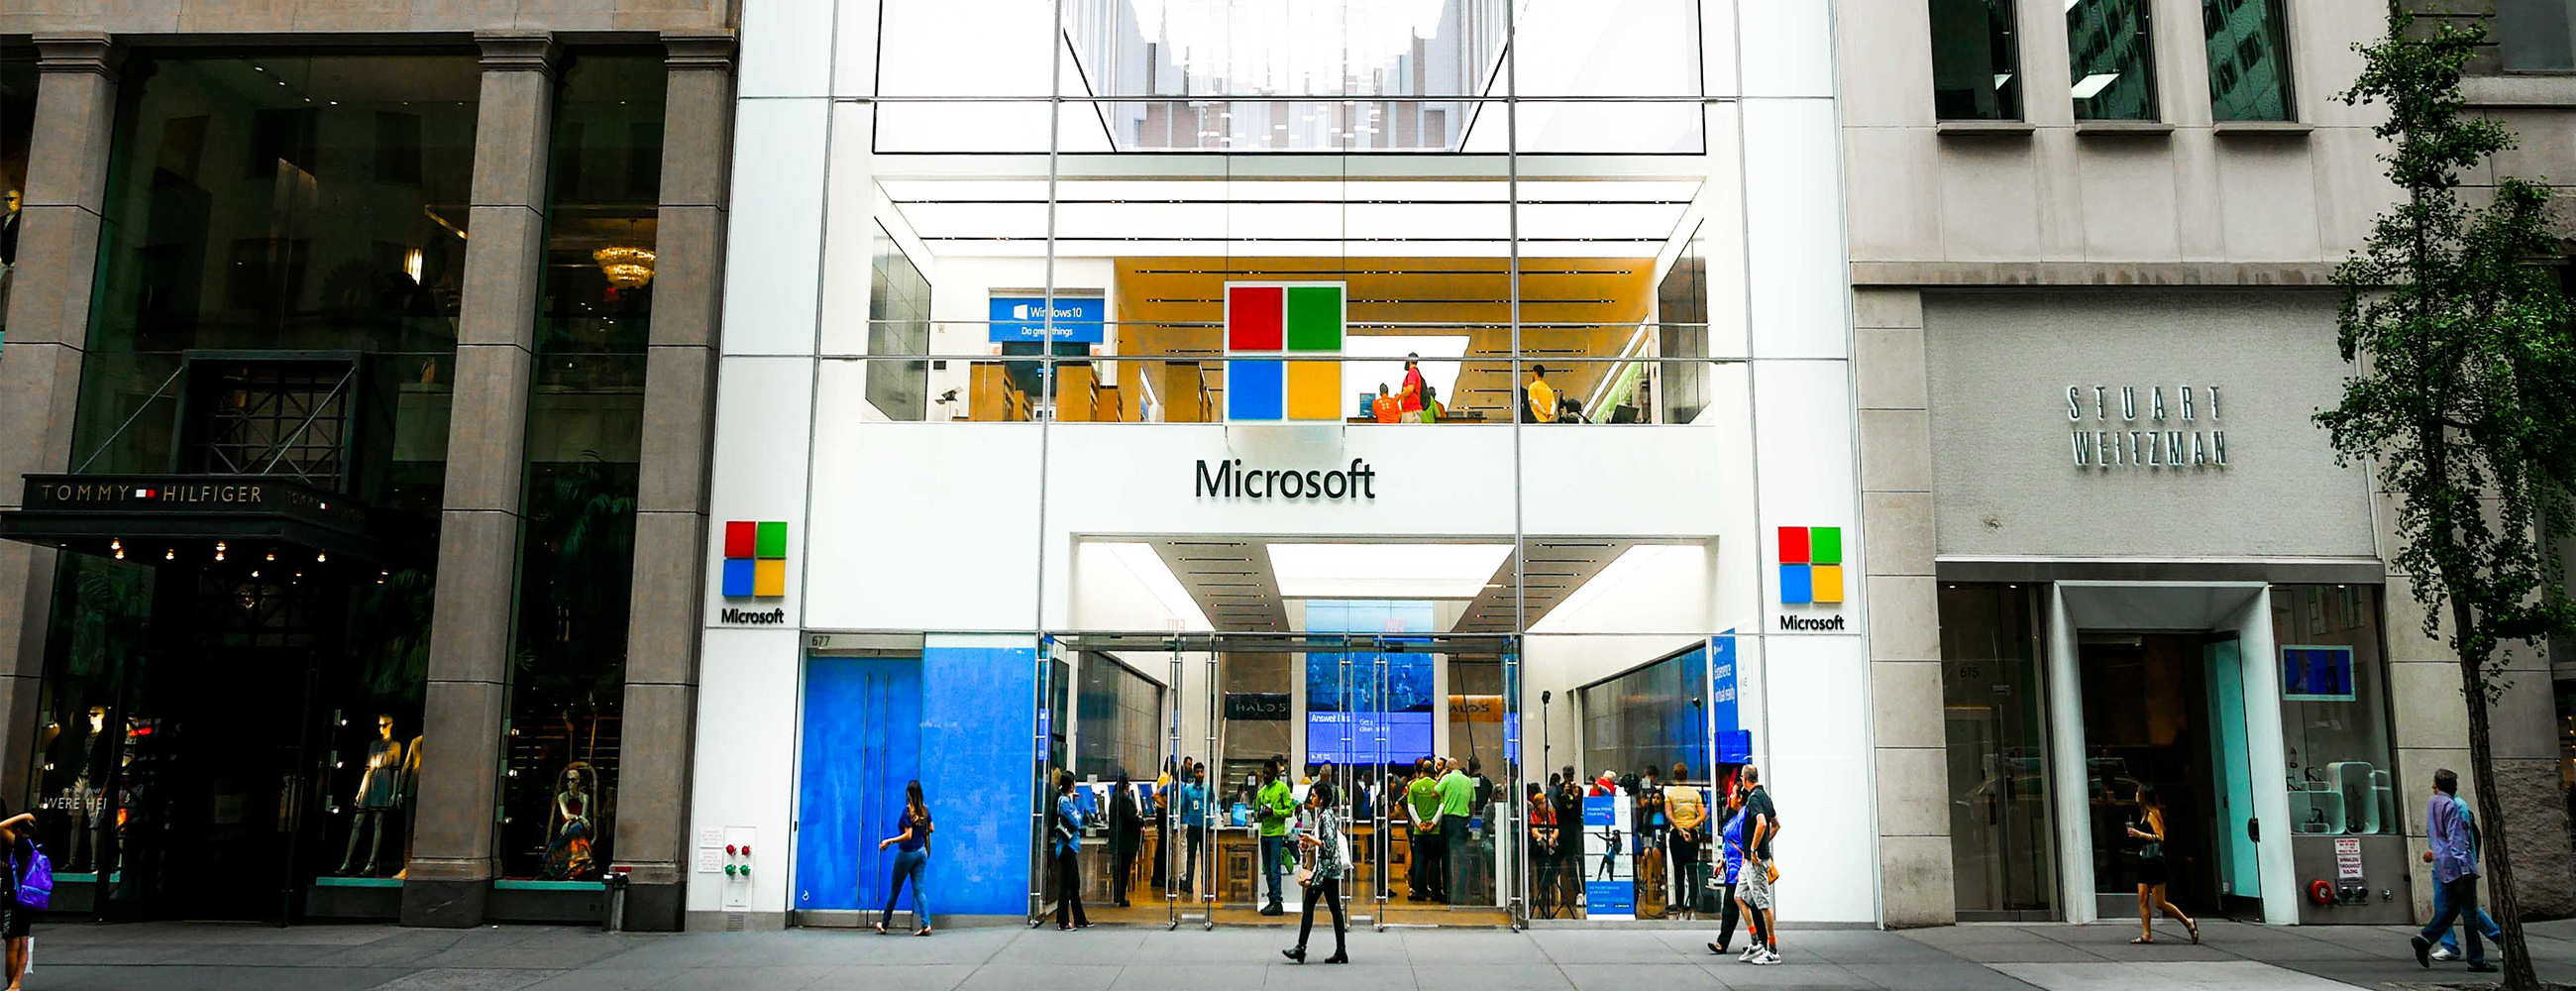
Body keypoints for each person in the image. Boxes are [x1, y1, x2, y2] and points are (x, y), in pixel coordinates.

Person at [2413, 768, 2498, 973]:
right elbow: (2458, 839)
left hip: (2442, 865)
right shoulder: (2454, 806)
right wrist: (2466, 867)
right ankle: (2476, 960)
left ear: (2438, 785)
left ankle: (2425, 939)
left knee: (2449, 908)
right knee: (2469, 912)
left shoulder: (2434, 803)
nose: (2432, 786)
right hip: (2457, 866)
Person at [1283, 781, 1350, 964]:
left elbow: (1329, 846)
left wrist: (1311, 839)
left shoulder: (1326, 817)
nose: (1311, 798)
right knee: (1335, 909)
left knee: (1310, 904)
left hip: (1325, 870)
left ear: (1321, 799)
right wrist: (1310, 842)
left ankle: (1301, 948)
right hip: (1330, 869)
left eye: (1314, 795)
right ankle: (1340, 951)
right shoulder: (1326, 815)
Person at [2124, 784, 2198, 944]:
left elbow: (2160, 837)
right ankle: (2146, 934)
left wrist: (2139, 834)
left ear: (2143, 796)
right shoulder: (2143, 814)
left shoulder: (2152, 815)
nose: (2136, 795)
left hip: (2155, 862)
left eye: (2138, 793)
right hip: (2145, 861)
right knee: (2142, 898)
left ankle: (2188, 922)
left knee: (2159, 902)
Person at [872, 780, 933, 936]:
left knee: (895, 890)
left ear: (908, 794)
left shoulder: (907, 812)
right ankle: (926, 924)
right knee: (919, 890)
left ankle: (884, 924)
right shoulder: (925, 810)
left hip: (906, 854)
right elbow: (931, 828)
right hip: (921, 853)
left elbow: (908, 835)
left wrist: (889, 841)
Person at [1737, 765, 1781, 965]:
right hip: (1750, 861)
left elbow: (1763, 823)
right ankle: (1756, 942)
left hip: (1755, 860)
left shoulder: (1755, 798)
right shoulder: (1764, 796)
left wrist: (1755, 849)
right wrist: (1760, 844)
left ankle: (1772, 949)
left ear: (1745, 779)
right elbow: (1776, 824)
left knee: (1763, 903)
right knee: (1739, 896)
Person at [1707, 782, 1750, 956]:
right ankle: (1723, 942)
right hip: (1733, 868)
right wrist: (1723, 861)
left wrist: (1742, 865)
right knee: (1733, 907)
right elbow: (1730, 844)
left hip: (1741, 869)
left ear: (1740, 797)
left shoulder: (1744, 817)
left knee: (1736, 906)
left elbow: (1744, 843)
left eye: (1732, 794)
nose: (1729, 797)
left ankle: (1760, 941)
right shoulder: (1736, 816)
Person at [1256, 758, 1297, 915]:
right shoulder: (1261, 792)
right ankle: (1272, 900)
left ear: (1274, 773)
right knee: (1267, 869)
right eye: (1263, 773)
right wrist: (1259, 815)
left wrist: (1273, 812)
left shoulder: (1282, 789)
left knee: (1274, 869)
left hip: (1276, 835)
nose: (1265, 776)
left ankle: (1278, 902)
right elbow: (1256, 813)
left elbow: (1289, 811)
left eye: (1267, 773)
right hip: (1264, 834)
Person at [1050, 771, 1091, 930]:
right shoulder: (1064, 802)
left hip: (1071, 847)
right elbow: (1076, 820)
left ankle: (1080, 919)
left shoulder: (1067, 800)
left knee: (1074, 885)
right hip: (1066, 848)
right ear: (1071, 785)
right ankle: (1063, 920)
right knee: (1066, 886)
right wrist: (1079, 815)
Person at [0, 801, 33, 990]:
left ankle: (12, 984)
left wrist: (22, 816)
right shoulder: (35, 844)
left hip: (14, 897)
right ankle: (17, 982)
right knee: (23, 940)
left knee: (12, 942)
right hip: (29, 898)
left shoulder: (20, 845)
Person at [1666, 762, 1706, 919]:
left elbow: (1669, 815)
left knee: (1678, 872)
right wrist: (1689, 827)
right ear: (1687, 775)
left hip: (1676, 835)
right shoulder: (1695, 793)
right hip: (1692, 835)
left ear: (1674, 776)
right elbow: (1703, 815)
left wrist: (1680, 829)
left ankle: (1680, 907)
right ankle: (1693, 908)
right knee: (1692, 871)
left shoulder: (1670, 794)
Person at [1405, 759, 1445, 901]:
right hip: (1435, 832)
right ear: (1432, 770)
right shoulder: (1437, 786)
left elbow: (1411, 807)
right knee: (1435, 862)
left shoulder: (1414, 787)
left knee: (1420, 861)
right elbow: (1442, 806)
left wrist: (1419, 823)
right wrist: (1433, 823)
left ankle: (1420, 891)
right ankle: (1435, 892)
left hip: (1419, 832)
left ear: (1421, 771)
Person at [1438, 757, 1475, 905]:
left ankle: (1448, 893)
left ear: (1448, 768)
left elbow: (1435, 792)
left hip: (1448, 821)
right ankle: (1460, 893)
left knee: (1447, 857)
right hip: (1462, 821)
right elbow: (1473, 804)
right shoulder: (1468, 781)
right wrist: (1467, 818)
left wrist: (1441, 776)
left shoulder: (1447, 778)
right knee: (1461, 858)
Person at [1109, 770, 1142, 908]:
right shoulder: (1124, 799)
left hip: (1117, 840)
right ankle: (1121, 897)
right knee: (1124, 870)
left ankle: (1117, 896)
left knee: (1118, 871)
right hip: (1125, 841)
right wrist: (1140, 820)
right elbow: (1131, 819)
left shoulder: (1114, 798)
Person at [1175, 762, 1208, 895]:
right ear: (1194, 773)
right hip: (1192, 827)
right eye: (1197, 772)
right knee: (1191, 856)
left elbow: (1214, 803)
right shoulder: (1188, 790)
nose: (1200, 774)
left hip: (1204, 827)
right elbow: (1183, 807)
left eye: (1201, 771)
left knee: (1205, 857)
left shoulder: (1208, 788)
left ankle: (1204, 884)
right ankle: (1189, 885)